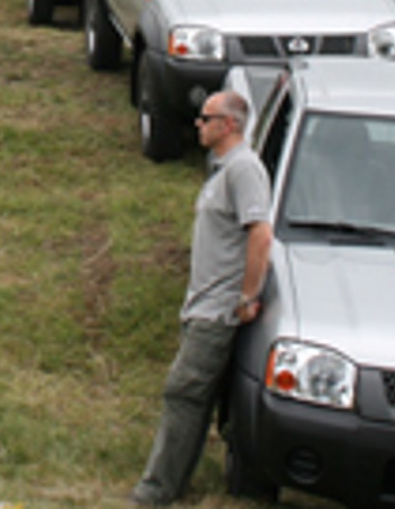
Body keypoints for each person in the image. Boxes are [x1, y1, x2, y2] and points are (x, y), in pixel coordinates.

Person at [132, 88, 273, 505]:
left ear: (229, 125)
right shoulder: (223, 169)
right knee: (205, 399)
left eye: (206, 117)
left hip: (219, 312)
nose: (199, 123)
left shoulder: (244, 170)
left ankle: (157, 489)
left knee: (184, 392)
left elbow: (260, 235)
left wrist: (246, 296)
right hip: (203, 305)